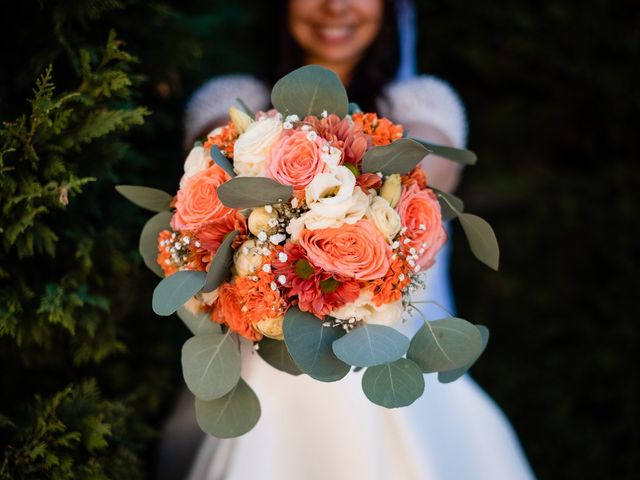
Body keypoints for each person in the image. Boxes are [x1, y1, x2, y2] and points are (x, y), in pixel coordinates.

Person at [159, 1, 536, 479]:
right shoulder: (229, 100)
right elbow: (217, 181)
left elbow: (421, 176)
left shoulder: (423, 106)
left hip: (402, 382)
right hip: (270, 390)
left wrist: (303, 197)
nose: (335, 7)